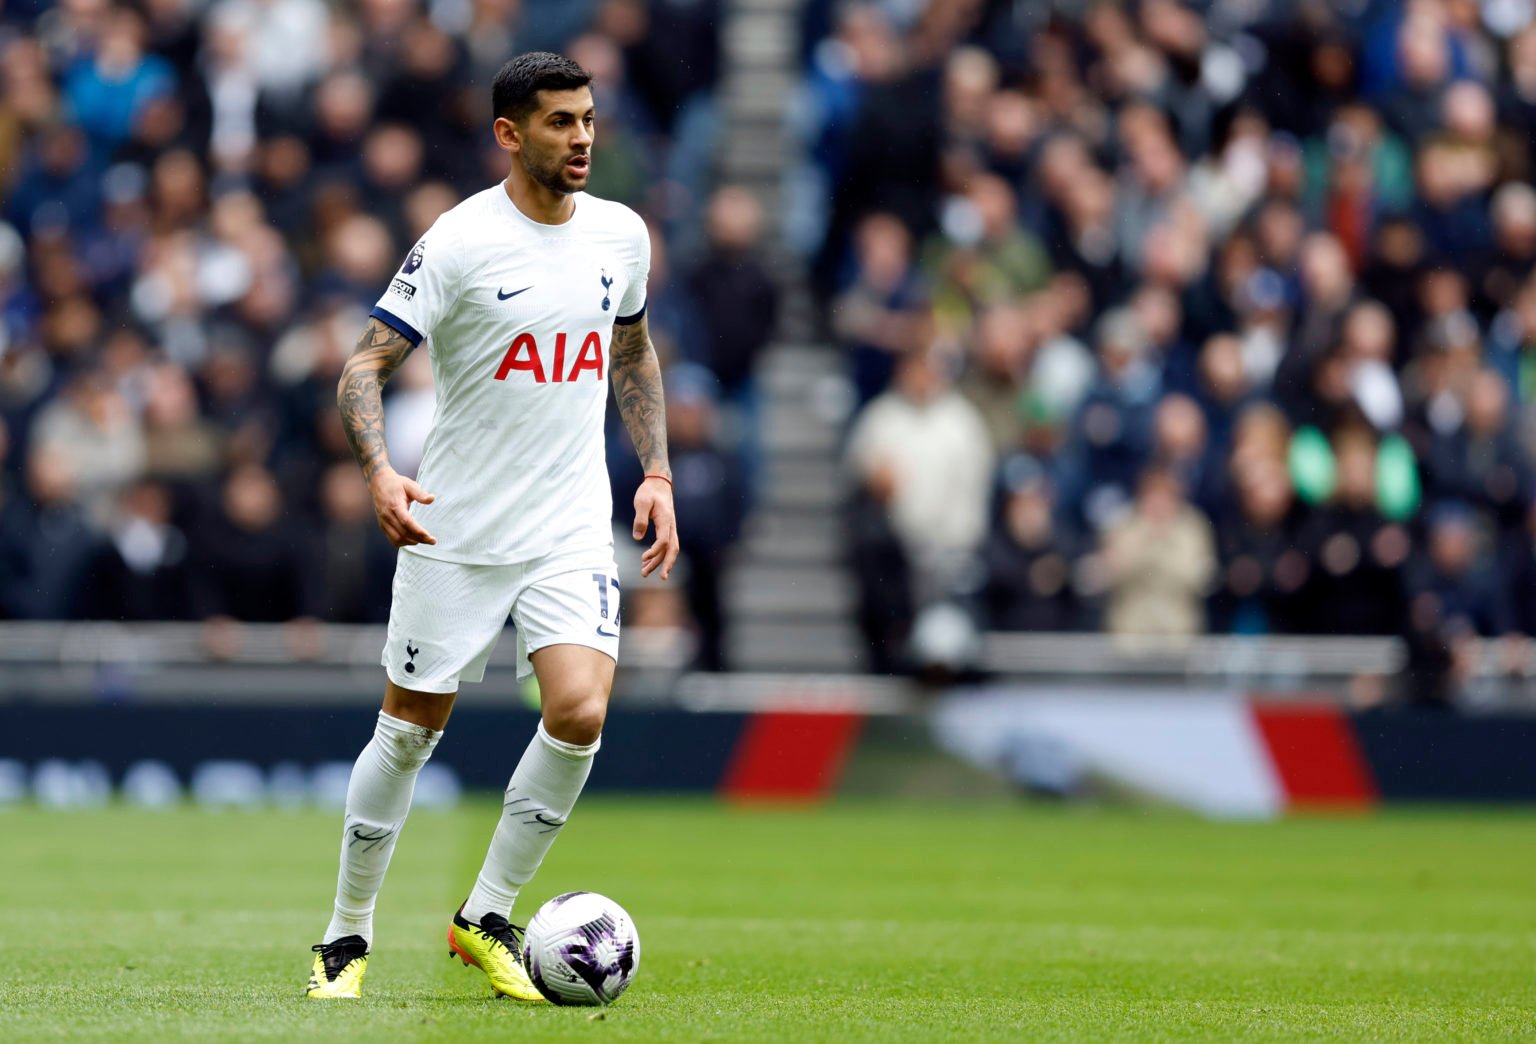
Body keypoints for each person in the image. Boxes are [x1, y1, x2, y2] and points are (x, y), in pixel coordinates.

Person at [304, 53, 679, 1003]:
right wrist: (383, 471)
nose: (584, 136)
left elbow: (631, 350)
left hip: (568, 526)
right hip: (456, 531)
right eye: (560, 122)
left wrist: (658, 472)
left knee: (581, 710)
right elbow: (362, 367)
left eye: (589, 118)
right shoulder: (461, 240)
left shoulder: (621, 235)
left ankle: (486, 915)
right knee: (408, 735)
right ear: (510, 135)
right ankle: (344, 940)